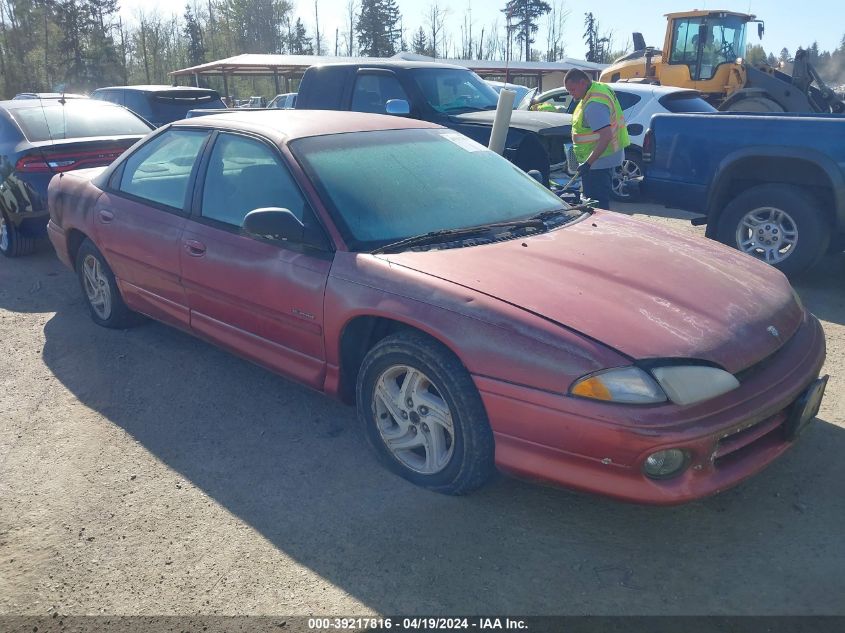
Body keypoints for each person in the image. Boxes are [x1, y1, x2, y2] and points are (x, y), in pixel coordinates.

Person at [563, 68, 630, 209]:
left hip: (598, 161)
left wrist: (588, 163)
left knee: (596, 205)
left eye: (573, 90)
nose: (571, 94)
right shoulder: (599, 88)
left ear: (583, 83)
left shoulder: (594, 105)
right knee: (598, 201)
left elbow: (606, 136)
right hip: (604, 157)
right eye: (569, 91)